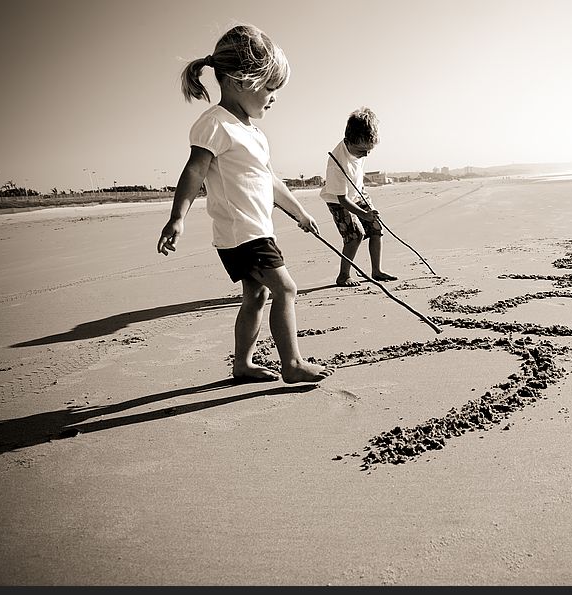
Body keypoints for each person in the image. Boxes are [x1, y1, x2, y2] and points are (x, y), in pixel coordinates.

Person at [157, 25, 332, 384]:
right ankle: (293, 363)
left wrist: (300, 213)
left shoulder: (252, 132)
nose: (274, 97)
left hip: (252, 231)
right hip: (243, 233)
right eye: (269, 88)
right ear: (240, 81)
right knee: (286, 289)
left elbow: (270, 181)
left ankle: (243, 364)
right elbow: (194, 171)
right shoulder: (215, 124)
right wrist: (178, 217)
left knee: (257, 295)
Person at [320, 107, 398, 287]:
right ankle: (343, 275)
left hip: (358, 193)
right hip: (339, 200)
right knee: (355, 235)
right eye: (362, 150)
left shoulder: (359, 145)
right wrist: (363, 215)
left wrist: (367, 209)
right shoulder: (337, 163)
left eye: (369, 150)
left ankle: (376, 271)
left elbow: (357, 173)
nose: (366, 154)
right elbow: (342, 199)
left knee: (376, 228)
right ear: (348, 141)